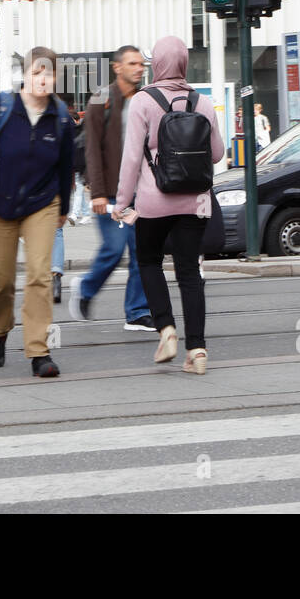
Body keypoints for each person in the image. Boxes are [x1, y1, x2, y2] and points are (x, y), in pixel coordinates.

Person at [114, 36, 225, 375]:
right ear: (184, 63)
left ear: (157, 63)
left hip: (153, 202)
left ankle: (166, 329)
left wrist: (121, 201)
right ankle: (198, 350)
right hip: (194, 203)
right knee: (190, 273)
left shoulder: (143, 102)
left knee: (148, 261)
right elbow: (218, 154)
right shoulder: (202, 102)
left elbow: (132, 156)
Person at [0, 47, 74, 378]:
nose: (42, 79)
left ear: (56, 78)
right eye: (37, 73)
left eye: (49, 73)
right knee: (1, 281)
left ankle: (38, 352)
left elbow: (66, 165)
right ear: (25, 75)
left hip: (42, 203)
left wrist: (64, 209)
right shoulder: (0, 107)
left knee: (40, 274)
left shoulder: (59, 116)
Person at [69, 44, 153, 332]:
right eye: (132, 63)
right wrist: (97, 191)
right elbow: (91, 147)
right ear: (117, 67)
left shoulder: (145, 98)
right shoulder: (102, 97)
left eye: (141, 64)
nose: (139, 68)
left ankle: (137, 312)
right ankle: (86, 288)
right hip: (112, 191)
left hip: (141, 192)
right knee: (115, 249)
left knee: (142, 251)